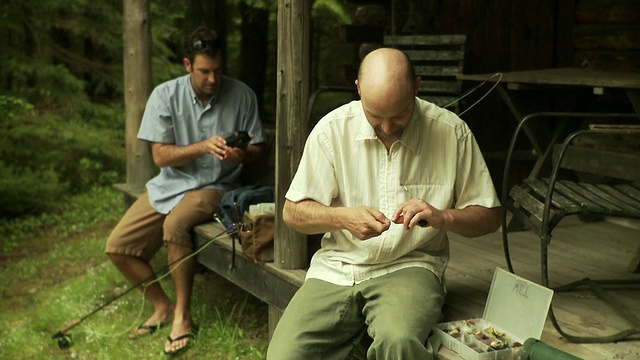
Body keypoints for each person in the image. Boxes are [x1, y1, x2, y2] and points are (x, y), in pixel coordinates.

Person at [267, 48, 502, 359]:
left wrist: (443, 217)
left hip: (411, 265)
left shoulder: (450, 131)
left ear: (417, 87)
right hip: (338, 267)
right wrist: (342, 218)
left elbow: (490, 216)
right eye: (375, 117)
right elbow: (293, 212)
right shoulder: (332, 129)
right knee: (284, 355)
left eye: (401, 114)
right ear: (358, 88)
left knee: (399, 342)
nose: (388, 127)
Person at [105, 26, 265, 356]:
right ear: (188, 65)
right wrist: (203, 147)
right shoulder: (165, 95)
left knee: (175, 225)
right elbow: (160, 155)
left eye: (218, 70)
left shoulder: (242, 94)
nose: (212, 78)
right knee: (118, 247)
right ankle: (161, 307)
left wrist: (241, 153)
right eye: (205, 71)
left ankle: (182, 316)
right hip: (170, 184)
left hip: (217, 188)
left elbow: (258, 149)